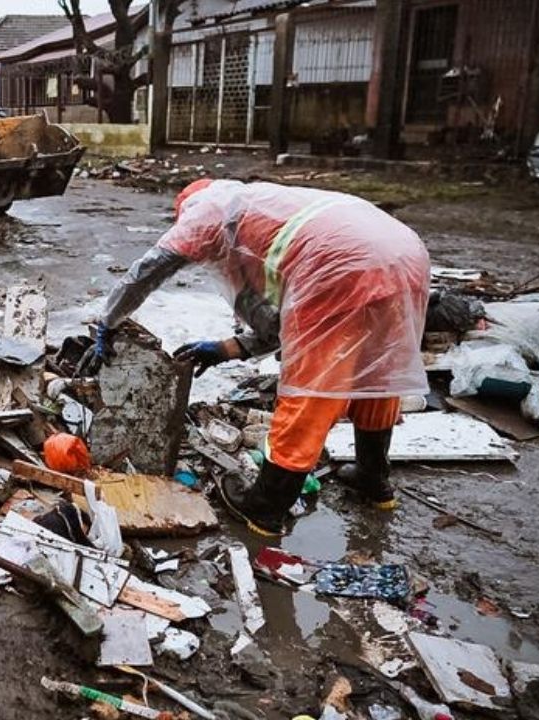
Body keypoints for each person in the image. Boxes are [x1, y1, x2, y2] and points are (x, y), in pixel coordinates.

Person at [97, 179, 430, 537]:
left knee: (312, 388)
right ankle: (373, 479)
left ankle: (266, 507)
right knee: (377, 369)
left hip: (343, 267)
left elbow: (148, 270)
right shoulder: (259, 213)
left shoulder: (208, 209)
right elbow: (276, 323)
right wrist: (227, 348)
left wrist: (107, 320)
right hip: (405, 255)